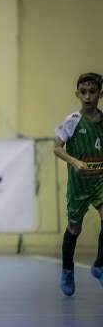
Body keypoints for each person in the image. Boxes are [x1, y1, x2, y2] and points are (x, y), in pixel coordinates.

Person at [54, 72, 103, 296]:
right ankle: (67, 270)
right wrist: (73, 161)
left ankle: (99, 265)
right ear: (77, 94)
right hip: (79, 186)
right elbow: (57, 148)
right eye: (83, 92)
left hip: (100, 182)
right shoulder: (72, 120)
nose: (87, 96)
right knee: (75, 229)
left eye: (92, 92)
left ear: (100, 94)